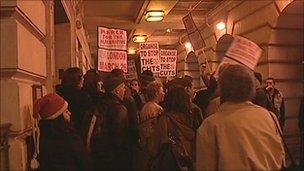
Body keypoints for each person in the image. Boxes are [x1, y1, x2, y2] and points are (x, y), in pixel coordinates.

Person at [196, 64, 285, 170]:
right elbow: (281, 158)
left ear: (222, 88)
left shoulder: (209, 126)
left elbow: (206, 167)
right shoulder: (270, 117)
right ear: (251, 88)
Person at [31, 93, 91, 170]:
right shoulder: (70, 139)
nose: (70, 113)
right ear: (58, 118)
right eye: (66, 111)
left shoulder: (41, 138)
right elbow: (85, 164)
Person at [89, 75, 132, 170]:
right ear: (117, 90)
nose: (125, 90)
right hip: (114, 158)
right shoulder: (120, 109)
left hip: (100, 156)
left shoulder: (99, 104)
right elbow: (119, 137)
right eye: (123, 87)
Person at [135, 82, 164, 170]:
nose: (164, 93)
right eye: (162, 91)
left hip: (145, 146)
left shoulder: (146, 106)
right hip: (152, 147)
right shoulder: (156, 109)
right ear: (156, 93)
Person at [56, 67, 90, 134]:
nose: (83, 79)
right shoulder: (83, 97)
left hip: (61, 133)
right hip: (78, 133)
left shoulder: (59, 95)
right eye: (82, 77)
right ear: (77, 79)